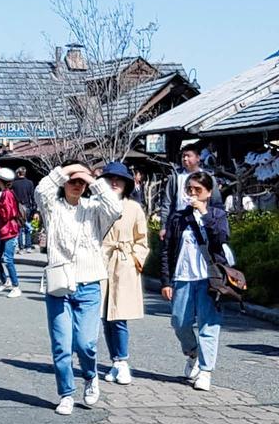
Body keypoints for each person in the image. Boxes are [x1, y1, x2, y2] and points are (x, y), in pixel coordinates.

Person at [38, 162, 123, 414]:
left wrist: (93, 178)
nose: (76, 185)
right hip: (59, 286)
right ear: (63, 181)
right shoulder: (53, 208)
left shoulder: (94, 209)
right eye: (72, 180)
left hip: (88, 286)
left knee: (86, 343)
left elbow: (116, 207)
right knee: (62, 345)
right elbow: (42, 191)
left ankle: (90, 376)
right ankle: (65, 393)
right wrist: (69, 168)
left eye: (81, 182)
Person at [161, 171, 229, 391]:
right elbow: (167, 250)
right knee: (179, 322)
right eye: (189, 189)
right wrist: (166, 281)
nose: (192, 193)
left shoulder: (218, 214)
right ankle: (193, 353)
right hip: (183, 277)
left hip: (209, 279)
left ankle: (206, 371)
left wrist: (204, 212)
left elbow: (221, 238)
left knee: (209, 324)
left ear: (208, 192)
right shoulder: (178, 218)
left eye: (197, 190)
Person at [98, 162, 149, 386]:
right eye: (110, 179)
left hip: (124, 263)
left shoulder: (134, 208)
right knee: (104, 316)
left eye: (119, 179)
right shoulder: (96, 205)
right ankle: (115, 361)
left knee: (119, 316)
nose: (115, 182)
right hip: (101, 262)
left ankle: (123, 361)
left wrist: (135, 259)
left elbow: (142, 240)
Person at [161, 142, 211, 240]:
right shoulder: (175, 177)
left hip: (202, 219)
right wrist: (164, 226)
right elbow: (167, 202)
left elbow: (215, 201)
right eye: (183, 156)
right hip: (179, 221)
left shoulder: (207, 177)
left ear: (198, 158)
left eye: (188, 156)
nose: (185, 159)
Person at [0, 167, 24, 295]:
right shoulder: (4, 193)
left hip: (9, 230)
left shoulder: (7, 194)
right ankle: (5, 281)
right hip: (3, 229)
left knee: (7, 259)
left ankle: (15, 286)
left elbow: (7, 214)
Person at [11, 166, 39, 252]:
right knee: (28, 226)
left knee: (19, 227)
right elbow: (32, 196)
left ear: (18, 173)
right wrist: (34, 207)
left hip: (17, 207)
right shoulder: (30, 183)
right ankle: (28, 246)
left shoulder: (13, 184)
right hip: (27, 206)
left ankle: (21, 247)